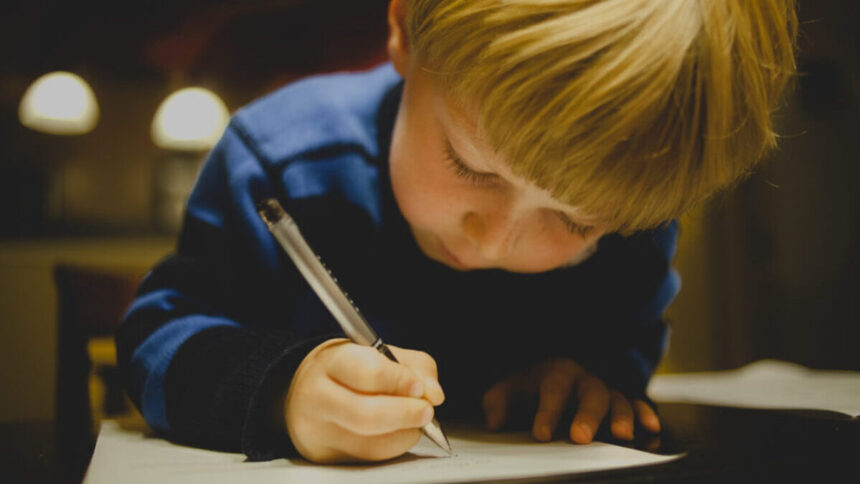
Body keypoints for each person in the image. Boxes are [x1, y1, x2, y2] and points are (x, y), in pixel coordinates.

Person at [116, 0, 797, 464]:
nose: (498, 240)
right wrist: (280, 392)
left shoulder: (633, 204)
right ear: (406, 31)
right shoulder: (279, 163)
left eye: (578, 220)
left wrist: (594, 377)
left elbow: (624, 342)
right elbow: (153, 339)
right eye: (469, 166)